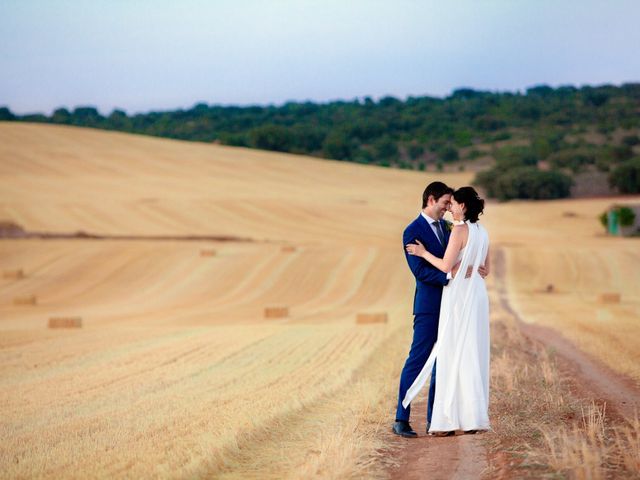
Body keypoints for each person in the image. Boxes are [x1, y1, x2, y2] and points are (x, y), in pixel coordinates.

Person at [392, 181, 487, 438]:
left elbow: (465, 258)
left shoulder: (450, 228)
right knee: (418, 359)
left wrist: (466, 270)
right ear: (431, 200)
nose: (448, 208)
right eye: (445, 203)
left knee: (443, 363)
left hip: (453, 306)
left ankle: (437, 420)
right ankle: (401, 419)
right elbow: (420, 271)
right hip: (429, 306)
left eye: (451, 204)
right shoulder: (412, 231)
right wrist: (450, 277)